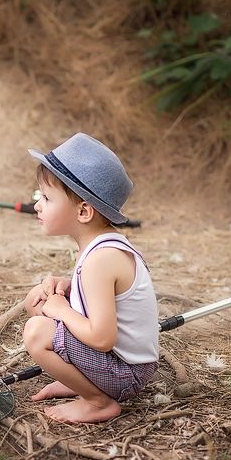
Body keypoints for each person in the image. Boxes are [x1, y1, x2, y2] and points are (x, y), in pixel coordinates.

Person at [22, 133, 159, 423]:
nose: (37, 205)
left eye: (46, 198)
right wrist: (70, 288)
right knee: (38, 301)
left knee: (37, 331)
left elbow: (102, 337)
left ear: (83, 211)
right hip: (119, 364)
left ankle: (97, 401)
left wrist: (61, 309)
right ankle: (80, 381)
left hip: (126, 373)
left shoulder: (101, 258)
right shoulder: (99, 246)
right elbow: (106, 298)